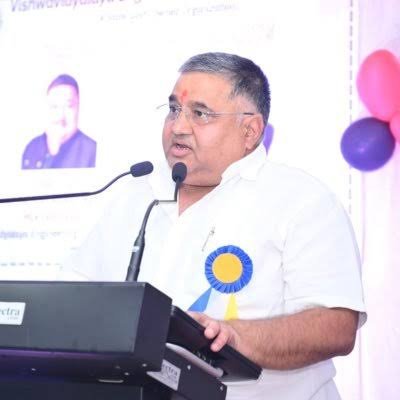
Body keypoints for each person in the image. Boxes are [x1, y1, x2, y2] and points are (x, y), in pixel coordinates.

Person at [63, 52, 365, 399]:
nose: (178, 126)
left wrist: (236, 337)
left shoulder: (302, 199)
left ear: (250, 131)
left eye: (200, 113)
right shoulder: (134, 194)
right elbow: (74, 293)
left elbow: (335, 326)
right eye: (174, 109)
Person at [22, 74, 96, 169]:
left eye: (69, 106)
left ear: (78, 107)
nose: (60, 115)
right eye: (54, 106)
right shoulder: (32, 147)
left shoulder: (91, 151)